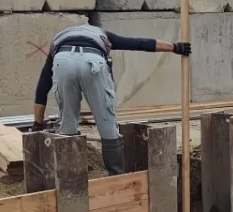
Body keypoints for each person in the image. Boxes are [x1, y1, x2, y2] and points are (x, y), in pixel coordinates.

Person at [31, 18, 189, 175]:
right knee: (107, 125)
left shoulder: (58, 40)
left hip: (62, 61)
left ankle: (69, 177)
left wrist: (37, 124)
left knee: (67, 126)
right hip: (93, 61)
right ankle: (116, 175)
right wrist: (175, 47)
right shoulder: (102, 34)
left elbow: (42, 86)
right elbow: (140, 43)